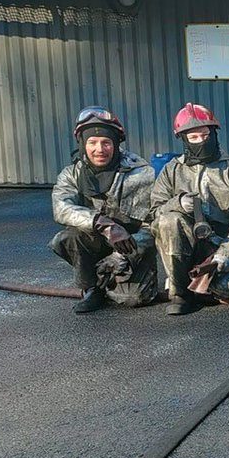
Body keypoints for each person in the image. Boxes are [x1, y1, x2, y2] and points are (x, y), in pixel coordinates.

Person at [150, 104, 229, 315]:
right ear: (184, 140)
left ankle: (207, 280)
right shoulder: (171, 171)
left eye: (205, 135)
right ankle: (180, 292)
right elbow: (154, 212)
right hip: (185, 246)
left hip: (221, 245)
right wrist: (177, 203)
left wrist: (226, 253)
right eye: (194, 137)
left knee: (227, 290)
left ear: (214, 134)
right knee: (168, 220)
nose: (201, 141)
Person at [49, 106, 158, 313]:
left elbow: (154, 225)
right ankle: (92, 288)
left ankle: (114, 279)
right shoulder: (71, 174)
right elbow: (61, 208)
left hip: (131, 247)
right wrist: (103, 223)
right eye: (92, 142)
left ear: (116, 144)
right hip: (95, 239)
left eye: (106, 142)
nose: (99, 149)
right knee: (68, 237)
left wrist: (121, 255)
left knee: (133, 299)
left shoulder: (142, 174)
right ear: (82, 143)